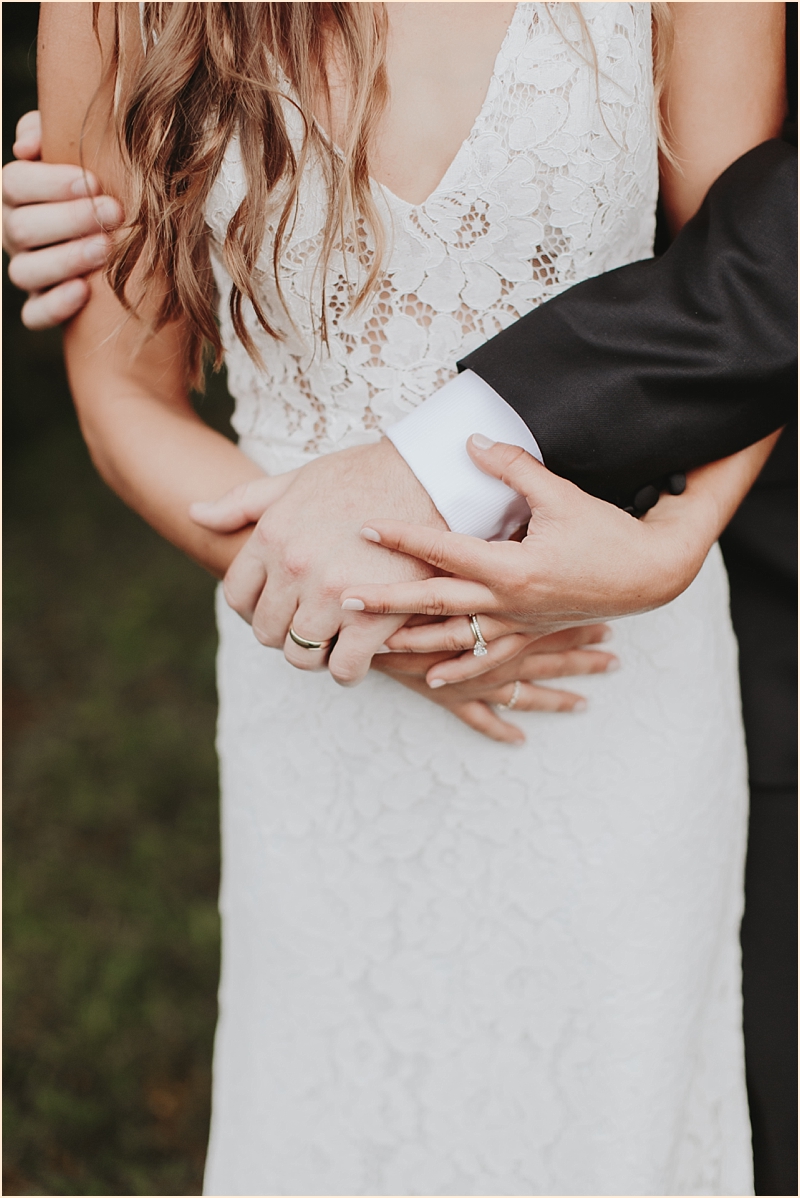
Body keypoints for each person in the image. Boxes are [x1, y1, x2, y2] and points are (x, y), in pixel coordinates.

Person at [24, 2, 788, 1192]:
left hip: (602, 671)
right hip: (320, 683)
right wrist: (355, 609)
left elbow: (749, 289)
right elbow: (127, 401)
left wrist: (675, 537)